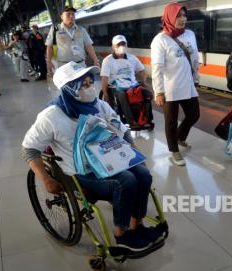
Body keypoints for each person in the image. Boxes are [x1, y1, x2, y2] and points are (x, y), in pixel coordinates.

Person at [22, 62, 163, 251]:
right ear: (70, 90)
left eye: (90, 82)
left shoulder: (100, 105)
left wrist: (135, 154)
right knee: (126, 181)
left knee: (144, 175)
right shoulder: (51, 116)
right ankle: (121, 234)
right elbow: (29, 148)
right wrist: (46, 179)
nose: (91, 88)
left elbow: (123, 131)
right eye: (84, 85)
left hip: (112, 158)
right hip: (82, 171)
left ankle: (137, 226)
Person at [150, 2, 200, 166]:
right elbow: (157, 68)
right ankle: (174, 151)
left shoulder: (190, 34)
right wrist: (158, 92)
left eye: (184, 15)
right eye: (178, 15)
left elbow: (195, 59)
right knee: (171, 121)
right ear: (170, 17)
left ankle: (180, 137)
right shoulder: (160, 40)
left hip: (188, 84)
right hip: (170, 87)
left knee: (194, 115)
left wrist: (196, 78)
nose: (182, 19)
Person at [100, 34, 151, 128]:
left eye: (123, 44)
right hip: (116, 86)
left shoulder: (132, 58)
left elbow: (142, 71)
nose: (121, 47)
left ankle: (146, 119)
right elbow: (104, 78)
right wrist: (106, 94)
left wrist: (144, 82)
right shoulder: (108, 60)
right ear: (113, 46)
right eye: (118, 45)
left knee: (146, 93)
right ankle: (131, 121)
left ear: (126, 45)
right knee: (122, 94)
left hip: (132, 84)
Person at [45, 6, 100, 73]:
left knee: (82, 83)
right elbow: (49, 47)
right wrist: (49, 62)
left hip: (80, 65)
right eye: (68, 14)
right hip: (64, 66)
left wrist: (95, 59)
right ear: (62, 17)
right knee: (67, 83)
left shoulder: (81, 29)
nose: (71, 16)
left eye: (73, 14)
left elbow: (88, 46)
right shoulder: (55, 30)